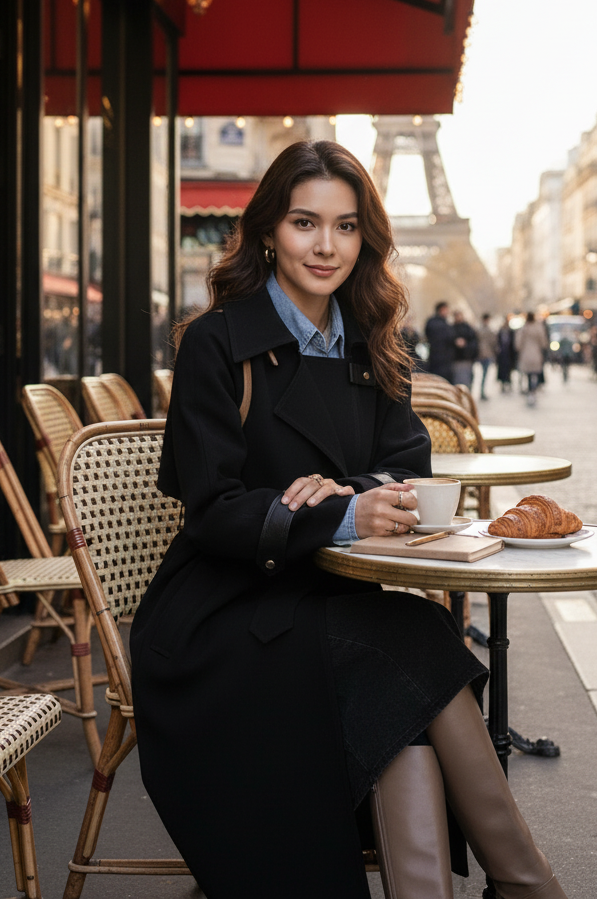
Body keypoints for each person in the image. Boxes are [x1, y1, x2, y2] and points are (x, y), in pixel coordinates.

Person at [130, 141, 568, 899]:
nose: (325, 246)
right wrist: (344, 512)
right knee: (414, 637)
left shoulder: (372, 340)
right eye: (304, 223)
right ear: (269, 230)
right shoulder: (216, 342)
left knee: (403, 701)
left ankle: (512, 885)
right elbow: (212, 513)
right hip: (224, 617)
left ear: (366, 237)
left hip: (325, 604)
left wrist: (346, 496)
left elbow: (407, 465)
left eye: (346, 225)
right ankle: (526, 884)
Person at [515, 312, 547, 407]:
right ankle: (533, 391)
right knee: (535, 374)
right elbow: (543, 342)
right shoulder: (538, 328)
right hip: (536, 354)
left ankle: (530, 392)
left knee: (528, 375)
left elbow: (518, 344)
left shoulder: (523, 329)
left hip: (526, 354)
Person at [425, 301, 456, 382]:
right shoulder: (443, 324)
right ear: (442, 309)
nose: (448, 312)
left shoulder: (431, 322)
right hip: (442, 360)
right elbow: (450, 337)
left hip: (435, 359)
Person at [451, 309, 478, 388]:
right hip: (456, 360)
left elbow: (474, 343)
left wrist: (465, 345)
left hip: (466, 359)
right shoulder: (451, 329)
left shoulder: (468, 329)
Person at [475, 313, 497, 400]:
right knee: (484, 374)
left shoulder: (479, 330)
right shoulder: (488, 331)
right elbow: (494, 342)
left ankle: (482, 391)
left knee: (483, 374)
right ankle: (482, 391)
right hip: (486, 354)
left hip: (482, 354)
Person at [496, 315, 516, 392]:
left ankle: (508, 382)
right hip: (502, 354)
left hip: (508, 354)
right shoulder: (501, 331)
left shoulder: (510, 331)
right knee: (502, 370)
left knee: (508, 370)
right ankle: (503, 383)